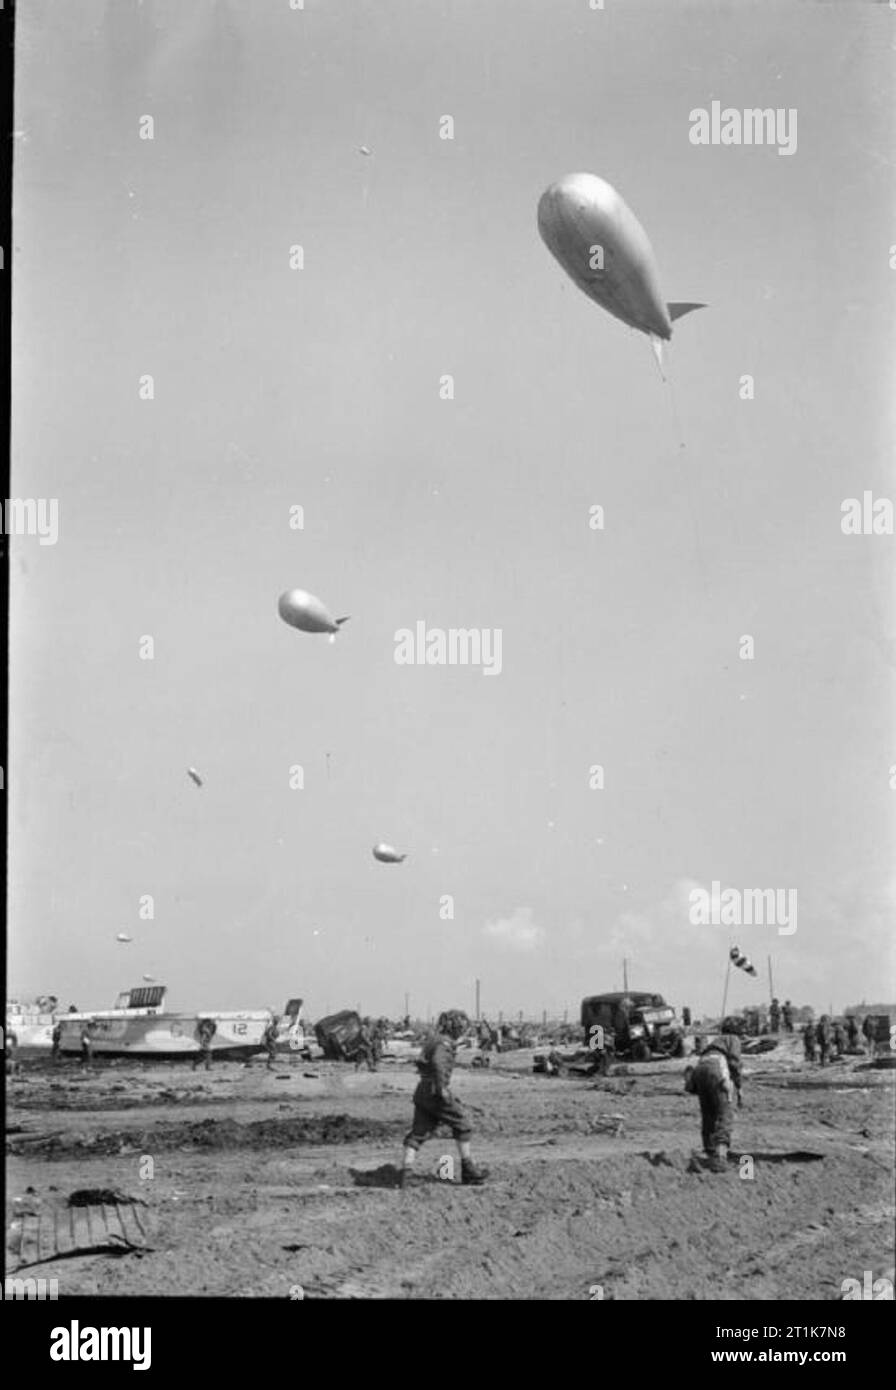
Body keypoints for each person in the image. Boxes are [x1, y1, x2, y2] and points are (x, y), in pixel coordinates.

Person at [398, 1009, 487, 1188]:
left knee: (419, 1132)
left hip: (422, 1090)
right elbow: (438, 1063)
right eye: (461, 1026)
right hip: (434, 1090)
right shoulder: (444, 1043)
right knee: (463, 1123)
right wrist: (442, 1089)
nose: (462, 1030)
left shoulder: (433, 1039)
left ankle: (406, 1173)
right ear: (455, 1026)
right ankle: (468, 1169)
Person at [685, 1030, 743, 1173]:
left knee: (709, 1114)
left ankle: (709, 1152)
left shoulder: (715, 1043)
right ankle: (720, 1156)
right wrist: (738, 1086)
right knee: (725, 1113)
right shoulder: (733, 1037)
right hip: (717, 1070)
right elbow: (734, 1063)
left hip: (699, 1070)